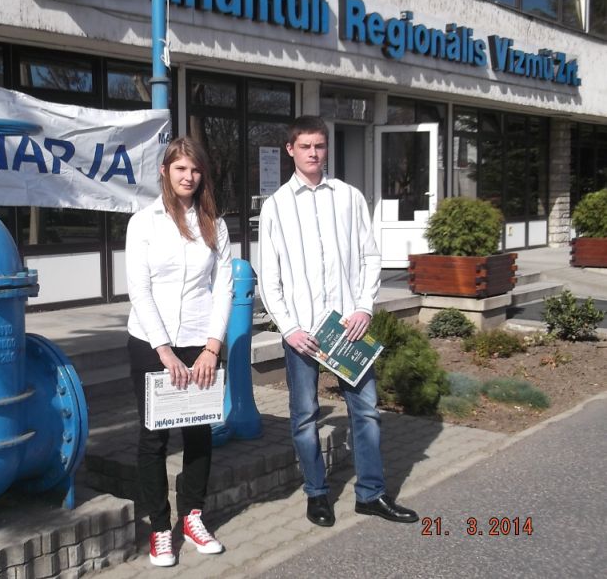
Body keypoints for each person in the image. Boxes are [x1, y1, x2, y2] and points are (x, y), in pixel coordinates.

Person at [258, 116, 419, 528]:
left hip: (349, 328)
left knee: (366, 412)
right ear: (290, 149)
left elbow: (370, 256)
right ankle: (317, 494)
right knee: (304, 417)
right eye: (305, 146)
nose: (313, 153)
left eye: (320, 145)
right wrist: (289, 328)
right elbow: (270, 277)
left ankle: (371, 494)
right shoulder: (276, 206)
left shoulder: (349, 197)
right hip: (304, 334)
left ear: (326, 148)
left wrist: (364, 307)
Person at [125, 136, 233, 567]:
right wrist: (164, 351)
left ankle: (192, 516)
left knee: (199, 431)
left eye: (195, 169)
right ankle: (159, 527)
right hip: (151, 343)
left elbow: (223, 288)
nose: (188, 177)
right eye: (180, 169)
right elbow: (139, 289)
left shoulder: (214, 224)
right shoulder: (144, 223)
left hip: (200, 342)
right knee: (154, 438)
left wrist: (212, 348)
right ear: (165, 172)